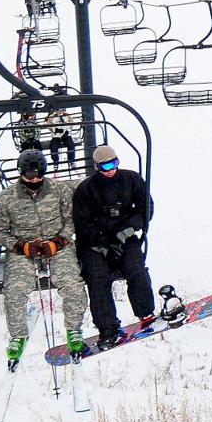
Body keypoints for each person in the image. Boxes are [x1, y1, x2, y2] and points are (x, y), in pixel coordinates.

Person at [0, 149, 87, 361]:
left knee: (72, 282)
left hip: (56, 246)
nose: (35, 179)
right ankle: (18, 335)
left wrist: (60, 241)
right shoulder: (7, 198)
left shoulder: (59, 191)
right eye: (30, 176)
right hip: (24, 249)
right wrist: (20, 246)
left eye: (39, 175)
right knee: (15, 289)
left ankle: (74, 329)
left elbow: (71, 219)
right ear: (21, 173)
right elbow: (0, 232)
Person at [73, 146, 155, 349]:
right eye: (105, 166)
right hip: (94, 243)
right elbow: (82, 223)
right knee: (97, 278)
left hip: (124, 237)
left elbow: (146, 207)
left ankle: (146, 312)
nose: (110, 170)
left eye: (114, 164)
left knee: (136, 269)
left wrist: (127, 231)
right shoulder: (85, 190)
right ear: (96, 167)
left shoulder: (131, 180)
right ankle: (107, 327)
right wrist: (102, 244)